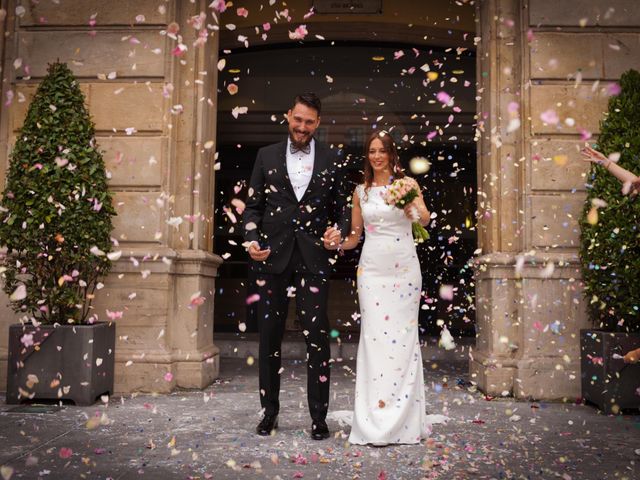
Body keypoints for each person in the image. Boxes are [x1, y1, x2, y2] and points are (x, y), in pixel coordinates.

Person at [242, 93, 351, 440]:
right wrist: (251, 239)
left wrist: (340, 230)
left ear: (318, 123)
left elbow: (344, 210)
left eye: (309, 122)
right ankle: (269, 413)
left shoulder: (333, 158)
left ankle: (319, 418)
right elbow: (253, 208)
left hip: (314, 259)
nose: (302, 127)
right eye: (297, 119)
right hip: (272, 258)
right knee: (269, 339)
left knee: (318, 339)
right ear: (288, 116)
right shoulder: (265, 155)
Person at [323, 130, 432, 445]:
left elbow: (423, 220)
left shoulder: (407, 185)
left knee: (403, 340)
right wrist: (336, 243)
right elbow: (355, 237)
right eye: (372, 150)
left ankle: (404, 420)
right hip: (372, 272)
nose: (377, 156)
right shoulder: (361, 192)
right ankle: (374, 416)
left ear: (391, 153)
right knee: (374, 340)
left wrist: (412, 201)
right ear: (367, 155)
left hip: (405, 270)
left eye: (382, 150)